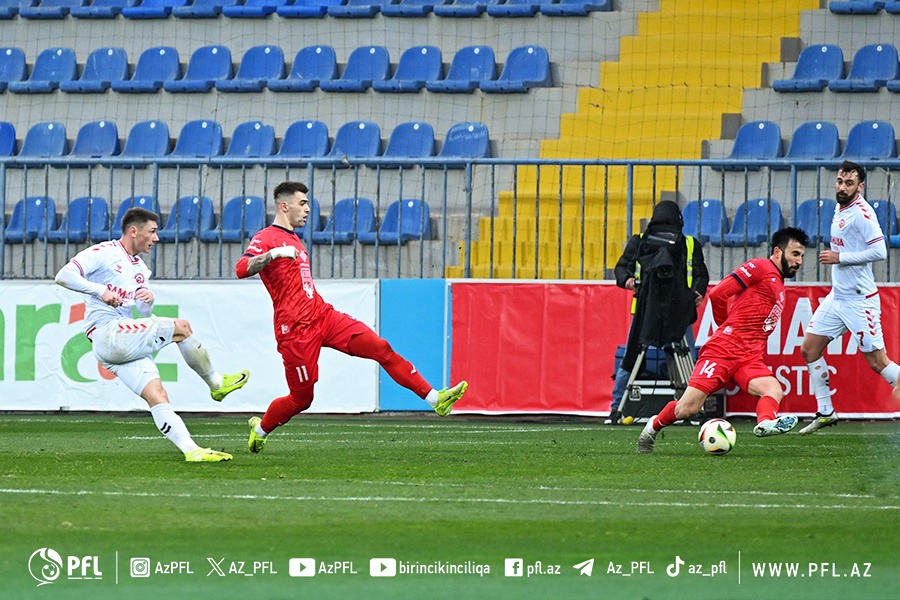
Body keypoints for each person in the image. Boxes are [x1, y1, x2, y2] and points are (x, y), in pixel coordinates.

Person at [235, 181, 468, 453]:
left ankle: (435, 398)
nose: (308, 209)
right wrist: (274, 254)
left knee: (381, 349)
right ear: (284, 206)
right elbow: (242, 269)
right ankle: (261, 428)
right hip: (295, 331)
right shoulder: (267, 237)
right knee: (302, 399)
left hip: (322, 316)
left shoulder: (295, 238)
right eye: (303, 203)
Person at [55, 207, 249, 462]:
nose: (156, 238)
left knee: (158, 396)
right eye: (153, 231)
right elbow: (63, 276)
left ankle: (192, 451)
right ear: (134, 231)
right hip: (108, 333)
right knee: (182, 328)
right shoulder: (103, 252)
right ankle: (215, 383)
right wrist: (99, 291)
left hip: (118, 341)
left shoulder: (139, 267)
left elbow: (142, 309)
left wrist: (147, 300)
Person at [637, 227, 810, 453]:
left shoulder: (777, 281)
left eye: (802, 256)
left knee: (773, 389)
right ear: (777, 252)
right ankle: (652, 426)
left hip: (749, 356)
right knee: (687, 409)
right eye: (795, 254)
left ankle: (765, 422)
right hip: (723, 350)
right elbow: (719, 294)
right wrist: (725, 327)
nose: (799, 261)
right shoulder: (760, 266)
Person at [799, 161, 899, 435]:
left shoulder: (863, 215)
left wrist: (839, 257)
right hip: (837, 298)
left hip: (859, 300)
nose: (842, 188)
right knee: (809, 349)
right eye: (840, 182)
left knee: (878, 363)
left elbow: (880, 252)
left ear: (860, 186)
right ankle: (825, 411)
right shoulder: (840, 206)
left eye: (849, 183)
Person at [608, 200, 709, 424]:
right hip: (653, 311)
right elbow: (622, 268)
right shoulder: (650, 242)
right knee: (639, 358)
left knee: (635, 358)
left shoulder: (686, 244)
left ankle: (617, 408)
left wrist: (696, 292)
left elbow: (700, 275)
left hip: (674, 311)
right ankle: (693, 409)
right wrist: (628, 280)